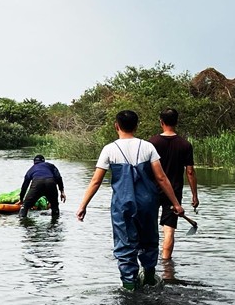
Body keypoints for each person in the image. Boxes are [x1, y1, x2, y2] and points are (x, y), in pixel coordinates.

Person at [75, 110, 184, 291]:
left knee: (125, 244)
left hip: (122, 204)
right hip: (148, 203)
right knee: (149, 240)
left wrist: (83, 206)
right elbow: (161, 178)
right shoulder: (148, 147)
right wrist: (176, 203)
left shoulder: (109, 149)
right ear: (136, 126)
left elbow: (96, 181)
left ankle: (129, 285)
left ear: (116, 126)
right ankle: (149, 278)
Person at [148, 108, 199, 260]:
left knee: (149, 227)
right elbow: (190, 172)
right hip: (174, 193)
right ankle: (166, 264)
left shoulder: (152, 143)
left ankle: (149, 263)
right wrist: (194, 196)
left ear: (161, 122)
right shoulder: (185, 145)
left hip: (152, 191)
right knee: (169, 230)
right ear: (176, 122)